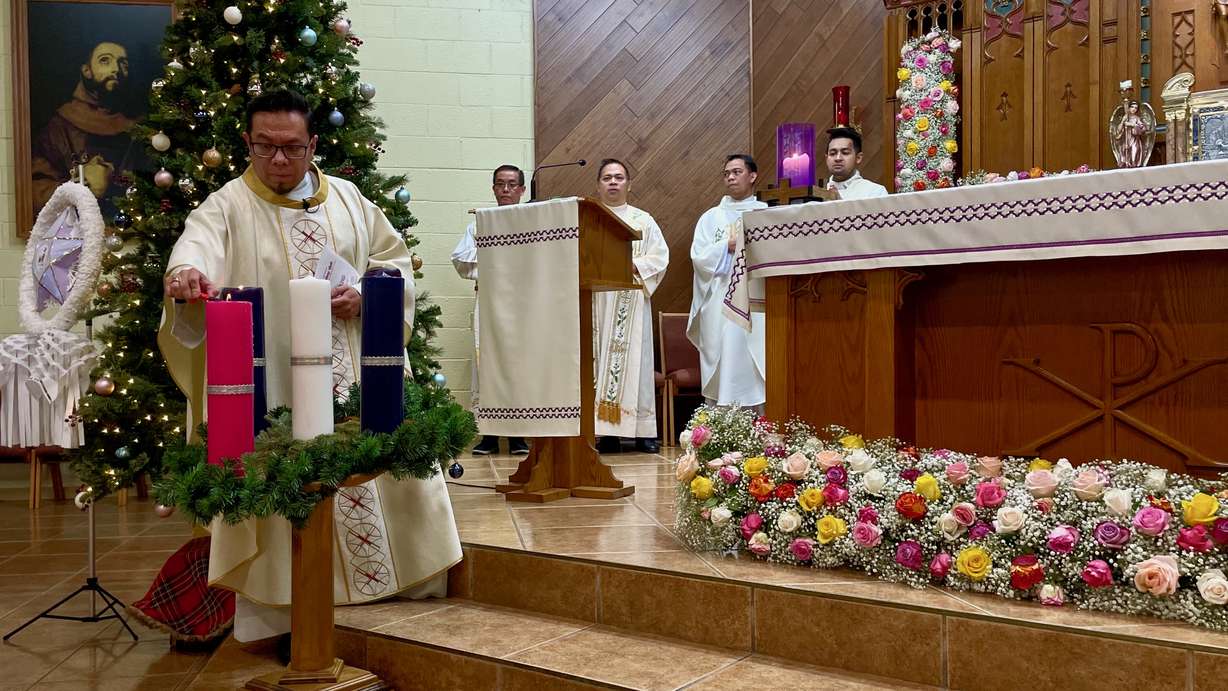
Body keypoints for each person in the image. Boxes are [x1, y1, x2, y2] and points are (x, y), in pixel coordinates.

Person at [155, 89, 461, 644]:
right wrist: (186, 277)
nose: (277, 160)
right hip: (279, 390)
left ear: (312, 144)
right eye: (263, 147)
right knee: (282, 483)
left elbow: (392, 264)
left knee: (381, 459)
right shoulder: (227, 205)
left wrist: (368, 298)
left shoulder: (349, 200)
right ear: (248, 144)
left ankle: (405, 588)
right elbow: (194, 246)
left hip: (358, 378)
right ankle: (281, 609)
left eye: (290, 148)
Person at [592, 159, 669, 454]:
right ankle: (606, 432)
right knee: (600, 364)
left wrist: (627, 264)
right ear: (598, 184)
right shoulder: (590, 219)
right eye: (607, 177)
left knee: (637, 366)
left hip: (632, 301)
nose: (613, 182)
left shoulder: (643, 220)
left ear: (629, 184)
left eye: (619, 177)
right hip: (598, 302)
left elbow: (659, 257)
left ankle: (644, 432)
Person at [452, 165, 530, 456]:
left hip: (524, 308)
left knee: (520, 369)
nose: (506, 190)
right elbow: (460, 259)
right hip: (488, 306)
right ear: (494, 189)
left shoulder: (532, 223)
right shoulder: (478, 225)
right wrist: (499, 256)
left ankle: (520, 436)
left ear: (522, 190)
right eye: (500, 184)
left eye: (512, 184)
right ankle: (489, 434)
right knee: (487, 368)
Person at [687, 155, 768, 409]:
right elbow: (698, 257)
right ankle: (721, 425)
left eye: (736, 172)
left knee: (754, 361)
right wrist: (726, 246)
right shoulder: (710, 217)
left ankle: (761, 421)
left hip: (756, 303)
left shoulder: (766, 214)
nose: (731, 177)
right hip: (720, 302)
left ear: (752, 176)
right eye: (726, 173)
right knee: (724, 359)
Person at [31, 41, 143, 218]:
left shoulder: (140, 127)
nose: (116, 69)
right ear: (87, 71)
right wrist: (82, 184)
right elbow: (35, 190)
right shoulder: (59, 126)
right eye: (105, 60)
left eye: (123, 63)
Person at [823, 127, 888, 199]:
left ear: (858, 158)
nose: (838, 158)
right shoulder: (818, 193)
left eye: (845, 153)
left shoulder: (875, 192)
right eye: (832, 153)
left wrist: (840, 204)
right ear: (826, 158)